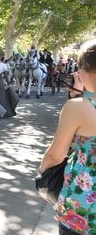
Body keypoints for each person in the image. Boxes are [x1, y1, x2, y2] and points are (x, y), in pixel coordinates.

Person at [38, 39, 96, 235]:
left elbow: (56, 154)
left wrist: (43, 176)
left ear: (86, 71)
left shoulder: (78, 108)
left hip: (83, 210)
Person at [0, 51, 18, 117]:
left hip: (0, 84)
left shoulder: (2, 66)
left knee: (1, 99)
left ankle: (2, 113)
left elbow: (6, 75)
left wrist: (8, 84)